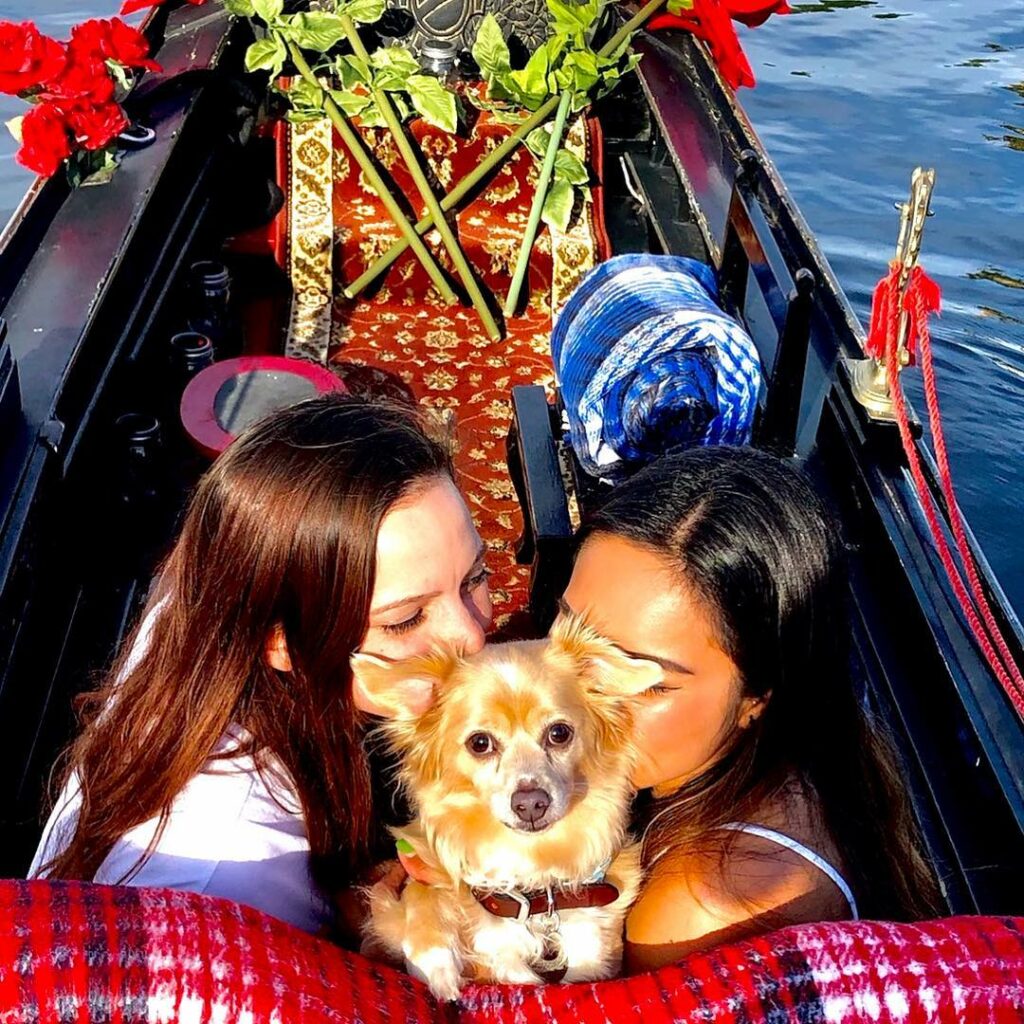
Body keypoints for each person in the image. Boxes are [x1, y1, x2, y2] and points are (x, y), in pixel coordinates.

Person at [30, 394, 492, 934]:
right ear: (279, 642)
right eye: (405, 619)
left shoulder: (202, 607)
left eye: (475, 578)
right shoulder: (239, 883)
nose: (470, 637)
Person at [558, 445, 943, 971]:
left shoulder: (697, 910)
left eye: (645, 685)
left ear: (757, 696)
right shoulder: (806, 758)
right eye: (569, 637)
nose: (572, 700)